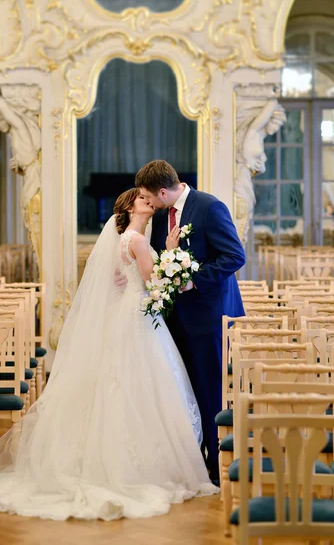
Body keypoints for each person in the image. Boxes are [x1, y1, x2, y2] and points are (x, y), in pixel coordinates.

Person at [0, 188, 218, 522]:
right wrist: (170, 254)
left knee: (125, 384)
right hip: (138, 316)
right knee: (141, 385)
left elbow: (123, 278)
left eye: (149, 197)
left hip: (128, 313)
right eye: (142, 199)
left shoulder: (126, 237)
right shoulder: (137, 240)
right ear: (129, 206)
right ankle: (137, 465)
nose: (149, 201)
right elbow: (155, 285)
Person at [117, 161, 246, 483]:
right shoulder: (161, 214)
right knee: (182, 392)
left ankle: (217, 466)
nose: (146, 201)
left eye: (148, 195)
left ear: (163, 191)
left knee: (209, 391)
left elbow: (234, 256)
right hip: (172, 317)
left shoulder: (209, 207)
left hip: (207, 315)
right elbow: (159, 260)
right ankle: (191, 461)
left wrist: (193, 280)